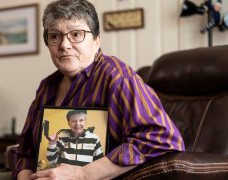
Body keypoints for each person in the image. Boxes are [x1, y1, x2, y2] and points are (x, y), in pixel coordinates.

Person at [14, 0, 185, 179]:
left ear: (96, 41)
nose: (64, 45)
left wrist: (82, 174)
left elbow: (160, 138)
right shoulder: (46, 87)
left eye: (76, 34)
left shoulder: (117, 78)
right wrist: (24, 176)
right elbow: (25, 151)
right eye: (55, 36)